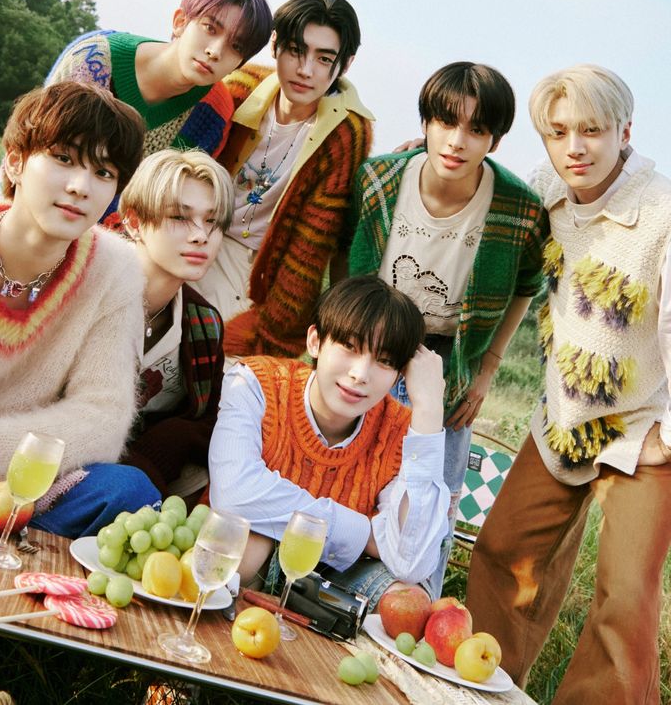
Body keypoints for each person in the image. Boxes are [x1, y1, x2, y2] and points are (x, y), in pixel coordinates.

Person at [466, 65, 671, 705]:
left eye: (591, 131)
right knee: (503, 556)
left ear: (625, 132)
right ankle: (480, 691)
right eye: (558, 133)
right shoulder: (549, 189)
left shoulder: (662, 214)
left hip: (643, 432)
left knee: (623, 599)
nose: (574, 147)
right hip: (564, 416)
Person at [346, 61, 548, 596]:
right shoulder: (379, 181)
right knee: (347, 477)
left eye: (476, 130)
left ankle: (412, 608)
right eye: (446, 122)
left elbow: (528, 283)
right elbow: (344, 267)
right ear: (426, 123)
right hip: (371, 342)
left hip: (448, 359)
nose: (457, 141)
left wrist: (488, 368)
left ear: (495, 142)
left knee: (431, 501)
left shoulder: (518, 210)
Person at [0, 81, 159, 538]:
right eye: (63, 159)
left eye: (104, 172)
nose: (81, 187)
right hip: (14, 474)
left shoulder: (116, 270)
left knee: (127, 491)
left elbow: (103, 419)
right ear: (15, 161)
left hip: (16, 492)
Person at [208, 275, 450, 606]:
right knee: (248, 546)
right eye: (350, 347)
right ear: (315, 342)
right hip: (250, 550)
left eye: (384, 361)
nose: (360, 374)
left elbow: (411, 562)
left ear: (399, 375)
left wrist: (429, 411)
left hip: (337, 572)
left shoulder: (397, 431)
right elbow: (233, 495)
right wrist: (363, 533)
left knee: (408, 601)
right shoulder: (255, 383)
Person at [194, 0, 374, 358]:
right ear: (275, 44)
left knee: (225, 373)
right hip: (195, 239)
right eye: (295, 50)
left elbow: (313, 242)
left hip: (256, 271)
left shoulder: (345, 134)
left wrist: (272, 325)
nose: (306, 70)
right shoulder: (240, 89)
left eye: (324, 58)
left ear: (346, 63)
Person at [25, 0, 272, 227]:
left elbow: (160, 203)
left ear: (239, 64)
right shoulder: (94, 59)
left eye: (236, 46)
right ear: (180, 22)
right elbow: (35, 149)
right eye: (210, 28)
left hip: (112, 244)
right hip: (31, 212)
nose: (216, 51)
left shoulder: (213, 114)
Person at [118, 148, 234, 499]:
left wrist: (177, 437)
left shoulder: (204, 323)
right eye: (180, 218)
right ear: (134, 222)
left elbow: (209, 421)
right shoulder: (88, 293)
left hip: (147, 484)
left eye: (212, 221)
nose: (201, 236)